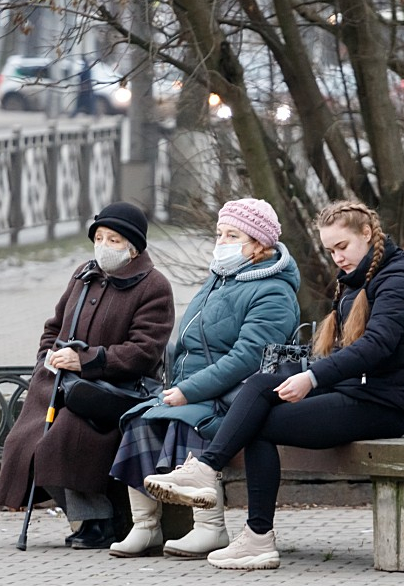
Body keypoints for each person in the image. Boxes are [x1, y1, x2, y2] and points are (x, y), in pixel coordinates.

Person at [143, 200, 404, 570]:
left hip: (383, 405)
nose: (337, 258)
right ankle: (216, 480)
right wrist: (310, 373)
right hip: (351, 392)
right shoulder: (357, 279)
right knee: (263, 386)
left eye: (342, 247)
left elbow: (376, 347)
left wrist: (311, 378)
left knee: (259, 426)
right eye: (330, 251)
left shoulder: (398, 278)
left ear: (367, 234)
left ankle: (253, 531)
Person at [107, 198, 300, 559]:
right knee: (138, 421)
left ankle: (210, 528)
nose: (221, 242)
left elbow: (247, 358)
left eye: (233, 235)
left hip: (232, 398)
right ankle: (145, 526)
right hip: (195, 389)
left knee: (187, 422)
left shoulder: (273, 291)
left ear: (259, 244)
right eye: (219, 233)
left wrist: (187, 391)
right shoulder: (220, 279)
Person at [0, 202, 174, 550]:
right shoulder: (84, 274)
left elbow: (143, 350)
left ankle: (99, 520)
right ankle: (88, 518)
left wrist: (87, 360)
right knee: (23, 442)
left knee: (64, 439)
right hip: (65, 384)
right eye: (100, 237)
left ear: (134, 248)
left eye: (115, 240)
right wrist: (48, 357)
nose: (104, 246)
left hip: (114, 392)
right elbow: (55, 326)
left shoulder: (154, 286)